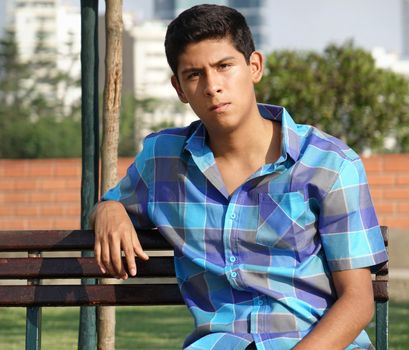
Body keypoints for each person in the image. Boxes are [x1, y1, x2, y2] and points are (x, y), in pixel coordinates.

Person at [92, 4, 388, 350]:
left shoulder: (329, 165)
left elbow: (357, 301)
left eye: (224, 66)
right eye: (194, 74)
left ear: (254, 67)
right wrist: (109, 210)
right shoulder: (164, 161)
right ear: (179, 89)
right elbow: (112, 202)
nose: (212, 86)